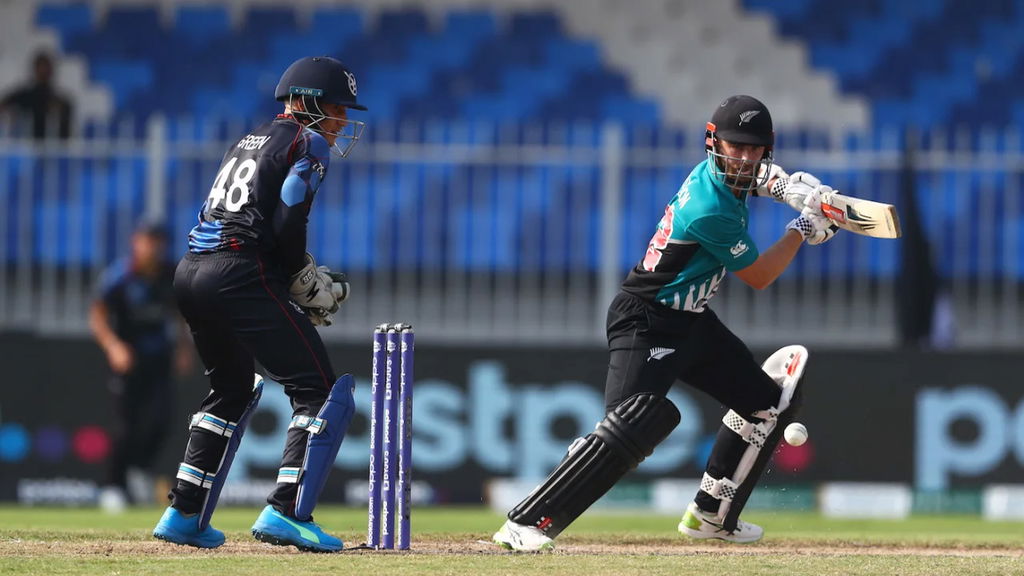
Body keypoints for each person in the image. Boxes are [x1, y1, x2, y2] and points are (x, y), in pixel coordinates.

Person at [492, 95, 840, 551]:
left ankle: (712, 517)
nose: (745, 157)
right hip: (647, 320)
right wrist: (801, 229)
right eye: (735, 147)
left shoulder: (728, 178)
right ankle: (526, 524)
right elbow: (759, 276)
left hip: (691, 321)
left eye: (754, 149)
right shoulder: (708, 207)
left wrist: (791, 189)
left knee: (766, 405)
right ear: (713, 142)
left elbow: (753, 179)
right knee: (629, 428)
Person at [151, 56, 365, 552]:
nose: (341, 123)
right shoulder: (306, 142)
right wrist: (300, 278)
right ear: (309, 103)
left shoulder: (247, 140)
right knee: (320, 390)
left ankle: (184, 513)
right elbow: (288, 223)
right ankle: (286, 512)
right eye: (336, 109)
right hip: (241, 272)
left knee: (229, 389)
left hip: (191, 271)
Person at [90, 220, 193, 513]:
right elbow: (97, 315)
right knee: (126, 427)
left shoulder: (168, 275)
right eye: (148, 240)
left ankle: (141, 470)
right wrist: (113, 346)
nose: (153, 247)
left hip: (158, 359)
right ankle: (113, 487)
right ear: (136, 241)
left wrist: (184, 348)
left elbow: (178, 315)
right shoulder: (120, 277)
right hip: (127, 362)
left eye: (158, 241)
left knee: (162, 420)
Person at [0, 51, 73, 139]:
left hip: (51, 148)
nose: (43, 71)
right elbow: (4, 105)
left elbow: (65, 137)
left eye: (46, 68)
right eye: (40, 68)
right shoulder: (23, 96)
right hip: (25, 147)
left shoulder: (61, 103)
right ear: (34, 70)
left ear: (52, 71)